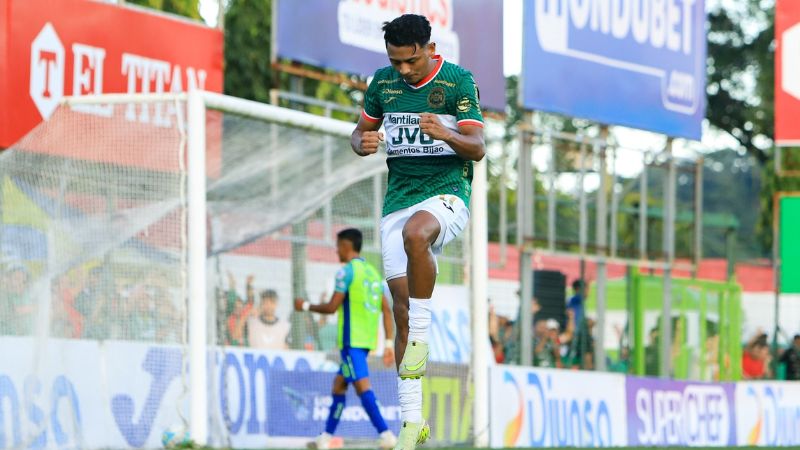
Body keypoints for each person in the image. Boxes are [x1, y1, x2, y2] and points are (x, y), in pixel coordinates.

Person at [350, 14, 485, 449]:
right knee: (401, 311)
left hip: (447, 193)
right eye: (396, 62)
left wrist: (444, 132)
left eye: (411, 61)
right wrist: (361, 142)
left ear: (429, 48)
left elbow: (477, 148)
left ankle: (423, 339)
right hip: (398, 199)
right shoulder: (382, 83)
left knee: (416, 234)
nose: (404, 70)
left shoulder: (458, 82)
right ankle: (412, 423)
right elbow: (360, 132)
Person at [294, 228, 397, 450]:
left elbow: (332, 307)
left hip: (351, 343)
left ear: (346, 246)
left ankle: (387, 434)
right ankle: (325, 438)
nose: (336, 250)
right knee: (339, 385)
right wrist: (388, 343)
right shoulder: (373, 273)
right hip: (366, 342)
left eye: (338, 246)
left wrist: (305, 306)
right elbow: (386, 311)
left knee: (362, 387)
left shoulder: (346, 272)